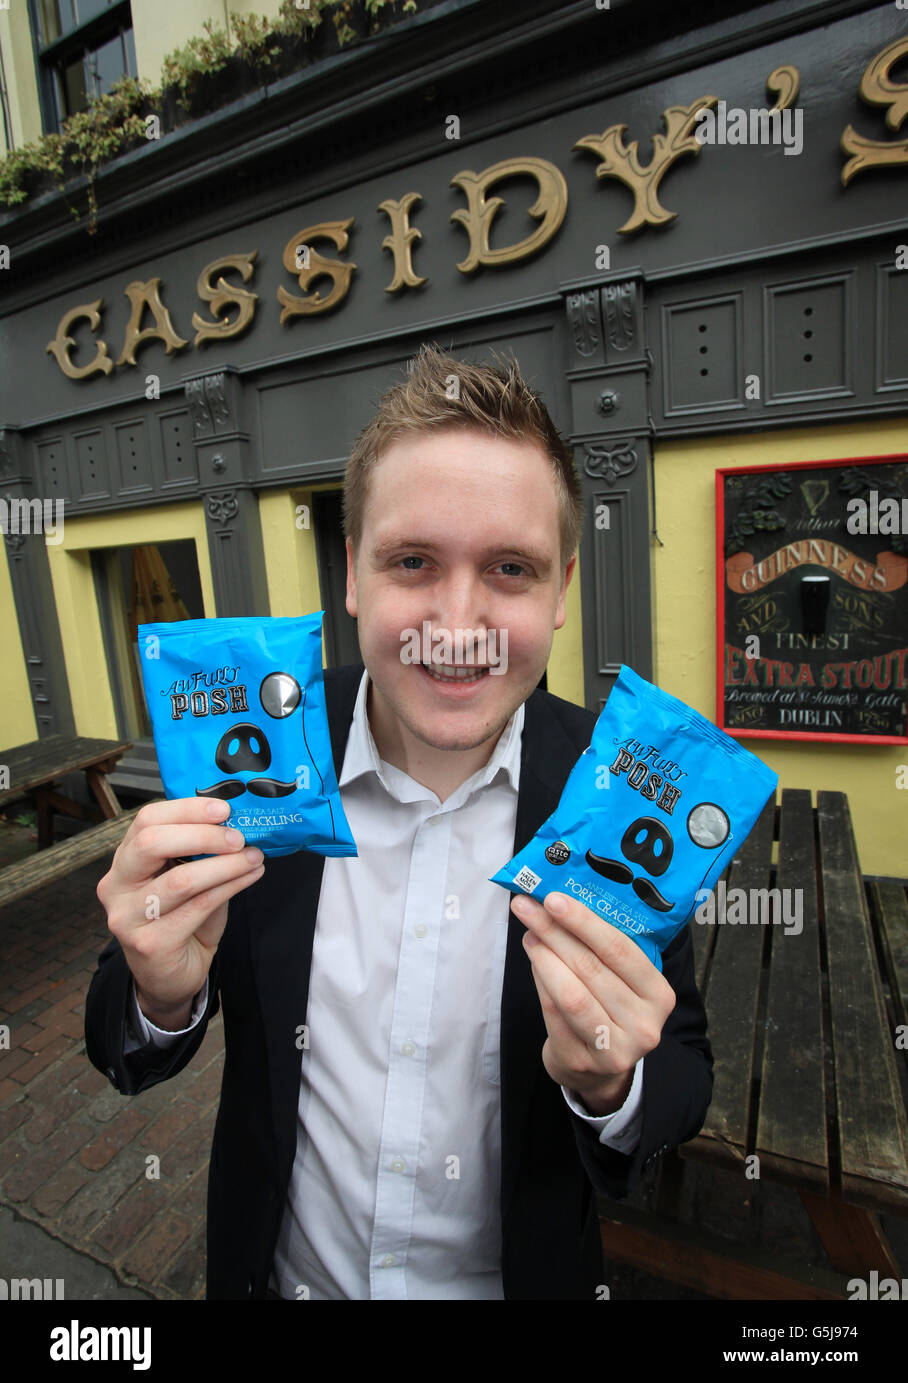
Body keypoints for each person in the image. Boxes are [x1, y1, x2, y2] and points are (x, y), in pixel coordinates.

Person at [87, 344, 713, 1300]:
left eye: (510, 568)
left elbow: (684, 1072)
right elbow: (120, 1039)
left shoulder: (618, 792)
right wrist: (158, 994)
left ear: (561, 591)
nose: (455, 622)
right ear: (352, 573)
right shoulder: (259, 757)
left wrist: (610, 1087)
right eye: (413, 561)